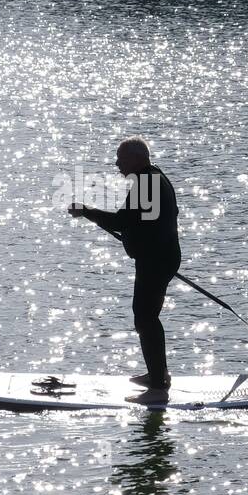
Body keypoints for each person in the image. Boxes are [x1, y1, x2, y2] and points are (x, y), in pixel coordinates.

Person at [69, 137, 181, 391]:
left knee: (145, 318)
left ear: (136, 158)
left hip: (156, 260)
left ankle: (157, 384)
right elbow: (141, 221)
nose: (117, 163)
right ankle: (159, 374)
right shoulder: (154, 177)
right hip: (159, 258)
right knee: (146, 316)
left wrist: (86, 211)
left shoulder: (146, 182)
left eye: (121, 158)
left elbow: (121, 222)